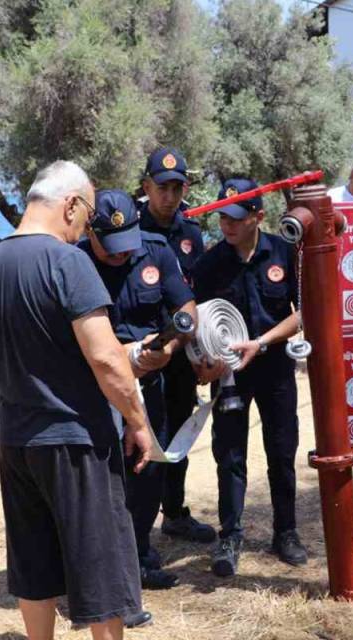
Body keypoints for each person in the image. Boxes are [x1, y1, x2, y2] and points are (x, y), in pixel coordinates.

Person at [0, 161, 154, 639]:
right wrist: (137, 421)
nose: (85, 229)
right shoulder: (67, 262)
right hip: (76, 441)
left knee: (35, 561)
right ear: (70, 203)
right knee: (100, 565)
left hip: (18, 440)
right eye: (88, 216)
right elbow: (107, 359)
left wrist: (10, 409)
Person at [79, 189, 197, 590]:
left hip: (149, 383)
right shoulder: (73, 261)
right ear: (90, 233)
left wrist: (170, 348)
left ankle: (140, 554)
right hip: (96, 385)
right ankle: (99, 564)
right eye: (110, 249)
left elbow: (186, 309)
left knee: (148, 470)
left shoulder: (156, 250)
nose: (120, 256)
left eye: (125, 246)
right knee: (102, 475)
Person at [191, 177, 307, 577]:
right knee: (230, 455)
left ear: (259, 216)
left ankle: (286, 532)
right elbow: (199, 324)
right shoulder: (208, 264)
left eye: (237, 218)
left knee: (281, 451)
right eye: (223, 217)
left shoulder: (285, 251)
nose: (228, 225)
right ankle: (230, 535)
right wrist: (205, 363)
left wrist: (263, 341)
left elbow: (302, 312)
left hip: (274, 367)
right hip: (230, 374)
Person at [136, 146, 216, 544]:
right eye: (162, 187)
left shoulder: (190, 233)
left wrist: (201, 352)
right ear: (146, 186)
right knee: (148, 437)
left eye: (177, 187)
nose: (169, 196)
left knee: (180, 430)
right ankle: (139, 529)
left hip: (183, 351)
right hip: (143, 352)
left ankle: (175, 513)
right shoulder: (130, 231)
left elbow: (196, 294)